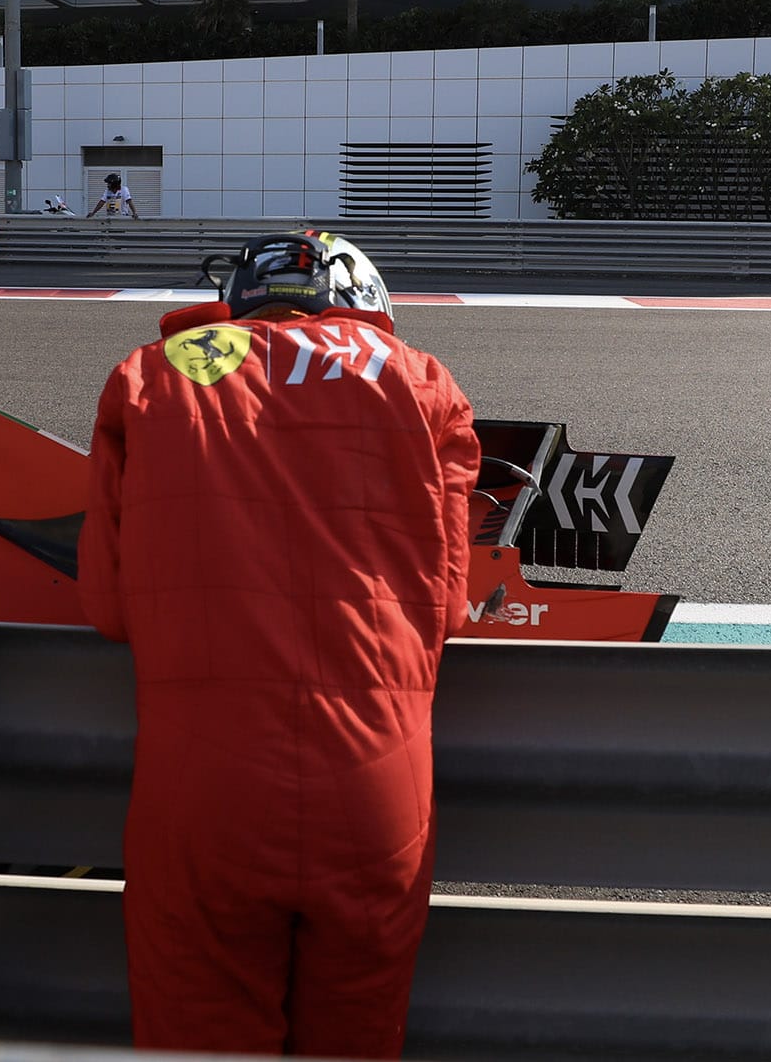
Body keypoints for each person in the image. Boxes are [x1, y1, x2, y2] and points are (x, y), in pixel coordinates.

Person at [79, 231, 479, 1060]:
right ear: (366, 302)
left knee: (199, 1034)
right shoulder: (423, 381)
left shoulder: (154, 373)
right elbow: (445, 605)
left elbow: (109, 606)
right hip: (378, 792)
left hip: (201, 788)